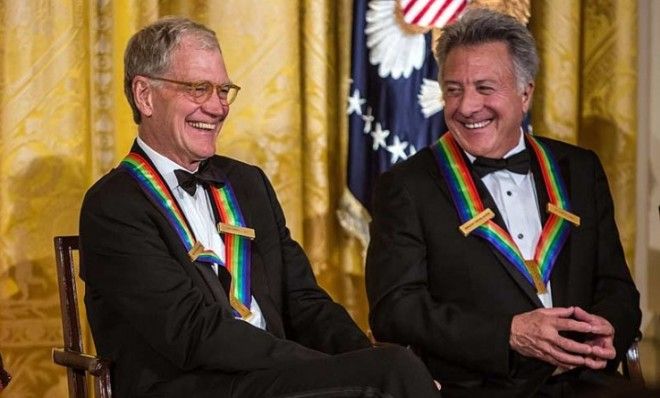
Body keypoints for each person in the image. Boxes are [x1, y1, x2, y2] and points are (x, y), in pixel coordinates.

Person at [80, 16, 441, 398]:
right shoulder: (114, 205)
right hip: (190, 385)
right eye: (199, 89)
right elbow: (191, 333)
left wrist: (361, 357)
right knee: (383, 378)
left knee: (394, 368)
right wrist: (332, 368)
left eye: (223, 90)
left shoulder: (247, 183)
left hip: (272, 377)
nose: (217, 107)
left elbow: (304, 301)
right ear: (145, 95)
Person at [365, 8, 641, 398]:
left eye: (485, 87)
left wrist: (607, 330)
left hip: (584, 382)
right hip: (479, 387)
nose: (466, 107)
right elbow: (395, 310)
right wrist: (508, 335)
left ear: (525, 93)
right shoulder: (406, 186)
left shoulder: (580, 169)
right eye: (454, 89)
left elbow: (616, 287)